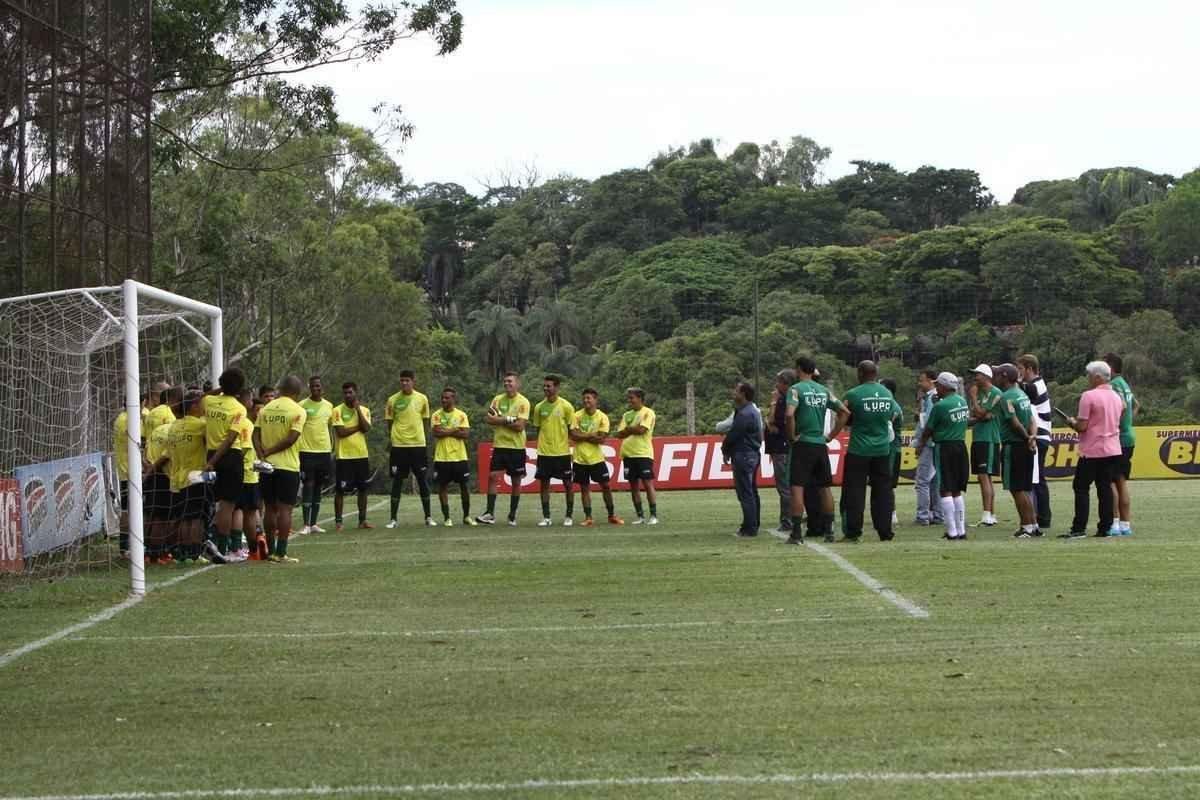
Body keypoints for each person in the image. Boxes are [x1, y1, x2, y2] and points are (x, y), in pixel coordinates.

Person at [784, 356, 849, 544]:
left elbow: (789, 414)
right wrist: (830, 436)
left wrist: (791, 436)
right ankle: (829, 532)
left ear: (798, 369)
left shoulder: (795, 389)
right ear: (813, 371)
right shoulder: (824, 391)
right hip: (820, 444)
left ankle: (796, 534)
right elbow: (844, 412)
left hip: (802, 443)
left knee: (797, 487)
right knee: (824, 487)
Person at [1063, 361, 1126, 538]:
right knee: (1104, 487)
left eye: (1089, 375)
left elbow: (1082, 427)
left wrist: (1072, 423)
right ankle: (1105, 527)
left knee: (1081, 487)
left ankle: (1079, 528)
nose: (1088, 378)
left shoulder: (1088, 396)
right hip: (1112, 448)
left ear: (1097, 377)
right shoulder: (1116, 396)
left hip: (1092, 449)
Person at [841, 361, 901, 542]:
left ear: (860, 373)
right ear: (876, 373)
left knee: (855, 492)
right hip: (882, 450)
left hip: (859, 449)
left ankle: (853, 532)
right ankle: (885, 532)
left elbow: (844, 417)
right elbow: (892, 415)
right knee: (883, 491)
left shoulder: (853, 394)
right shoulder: (887, 394)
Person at [254, 375, 306, 563]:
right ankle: (281, 552)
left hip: (267, 467)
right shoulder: (298, 410)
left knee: (269, 508)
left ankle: (270, 550)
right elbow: (291, 438)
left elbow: (255, 434)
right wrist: (270, 450)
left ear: (280, 390)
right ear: (296, 393)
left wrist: (262, 454)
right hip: (287, 466)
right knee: (285, 510)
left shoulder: (265, 409)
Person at [916, 373, 970, 540]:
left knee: (945, 488)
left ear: (945, 387)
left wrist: (920, 445)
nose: (936, 387)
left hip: (944, 447)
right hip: (960, 446)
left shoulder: (940, 406)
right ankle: (961, 530)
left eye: (938, 385)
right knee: (957, 490)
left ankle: (952, 531)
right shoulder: (962, 401)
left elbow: (928, 429)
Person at [201, 368, 248, 557]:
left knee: (216, 503)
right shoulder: (239, 408)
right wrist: (212, 462)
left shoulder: (210, 401)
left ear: (221, 384)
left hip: (211, 453)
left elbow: (203, 396)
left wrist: (219, 389)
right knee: (228, 505)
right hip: (229, 457)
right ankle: (223, 548)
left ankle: (212, 543)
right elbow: (229, 440)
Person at [993, 364, 1041, 538]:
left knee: (1016, 489)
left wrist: (1026, 438)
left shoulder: (1006, 397)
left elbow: (1014, 422)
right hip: (1027, 445)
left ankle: (1027, 526)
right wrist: (1032, 438)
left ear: (1004, 377)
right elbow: (1032, 420)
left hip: (1014, 446)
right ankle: (1032, 525)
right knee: (1024, 488)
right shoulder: (1023, 395)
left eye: (997, 374)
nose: (995, 377)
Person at [478, 372, 531, 526]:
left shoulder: (523, 402)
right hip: (500, 445)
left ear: (517, 384)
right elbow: (489, 419)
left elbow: (520, 426)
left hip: (516, 447)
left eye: (510, 381)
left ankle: (512, 515)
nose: (507, 384)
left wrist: (499, 420)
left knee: (516, 481)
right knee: (493, 477)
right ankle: (490, 513)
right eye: (505, 381)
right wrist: (508, 419)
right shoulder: (497, 399)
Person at [164, 390, 209, 565]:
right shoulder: (200, 425)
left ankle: (182, 552)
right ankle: (195, 553)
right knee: (196, 517)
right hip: (196, 475)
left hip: (177, 477)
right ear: (194, 406)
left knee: (183, 517)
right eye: (202, 404)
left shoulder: (174, 426)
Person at [384, 369, 434, 528]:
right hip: (399, 446)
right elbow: (390, 423)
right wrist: (393, 438)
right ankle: (393, 519)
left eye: (407, 380)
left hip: (418, 446)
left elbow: (426, 421)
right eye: (402, 380)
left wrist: (423, 440)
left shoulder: (422, 399)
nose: (405, 383)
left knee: (422, 480)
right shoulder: (392, 400)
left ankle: (428, 517)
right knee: (397, 481)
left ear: (413, 381)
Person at [530, 375, 578, 527]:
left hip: (562, 453)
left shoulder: (566, 406)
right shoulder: (538, 407)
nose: (546, 389)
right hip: (544, 453)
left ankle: (569, 516)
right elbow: (538, 428)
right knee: (544, 484)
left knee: (568, 484)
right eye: (544, 386)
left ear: (557, 387)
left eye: (549, 386)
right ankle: (546, 517)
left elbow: (572, 429)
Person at [570, 388, 623, 526]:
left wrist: (583, 435)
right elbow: (574, 436)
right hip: (580, 459)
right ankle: (588, 517)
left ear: (595, 400)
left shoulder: (602, 417)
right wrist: (590, 435)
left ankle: (612, 515)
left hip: (597, 459)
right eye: (584, 398)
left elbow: (601, 439)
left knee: (606, 486)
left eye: (588, 398)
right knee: (584, 488)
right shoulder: (576, 416)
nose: (586, 400)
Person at [143, 387, 182, 564]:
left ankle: (148, 551)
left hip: (151, 472)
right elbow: (169, 454)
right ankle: (158, 553)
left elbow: (146, 446)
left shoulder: (151, 416)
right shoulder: (173, 427)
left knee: (152, 513)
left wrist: (148, 467)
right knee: (163, 516)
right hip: (165, 474)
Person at [1104, 353, 1139, 536]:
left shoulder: (1113, 385)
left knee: (1109, 481)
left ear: (1110, 367)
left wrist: (1112, 425)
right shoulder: (1124, 384)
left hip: (1116, 439)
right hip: (1129, 436)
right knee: (1121, 481)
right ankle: (1126, 524)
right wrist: (1128, 422)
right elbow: (1136, 405)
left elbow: (1122, 407)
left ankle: (1114, 523)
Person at [332, 381, 374, 532]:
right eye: (345, 393)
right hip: (344, 456)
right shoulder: (337, 410)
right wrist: (358, 427)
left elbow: (367, 428)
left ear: (356, 392)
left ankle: (362, 521)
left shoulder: (364, 410)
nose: (347, 395)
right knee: (340, 490)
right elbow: (341, 433)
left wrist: (358, 410)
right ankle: (338, 522)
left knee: (363, 489)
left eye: (350, 392)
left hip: (361, 455)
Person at [723, 382, 763, 537]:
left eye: (736, 391)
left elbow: (734, 434)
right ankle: (753, 523)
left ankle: (749, 527)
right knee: (751, 491)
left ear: (743, 394)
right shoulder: (753, 411)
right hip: (752, 454)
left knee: (745, 492)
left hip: (743, 454)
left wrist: (725, 449)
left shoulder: (745, 414)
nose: (734, 393)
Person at [1018, 354, 1053, 531]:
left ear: (1030, 369)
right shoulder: (1038, 384)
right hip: (1041, 436)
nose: (1019, 373)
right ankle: (1041, 515)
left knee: (1037, 479)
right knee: (1037, 478)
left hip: (1038, 436)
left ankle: (1042, 517)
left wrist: (1015, 382)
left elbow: (1025, 392)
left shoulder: (1035, 386)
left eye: (1021, 369)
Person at [431, 387, 475, 527]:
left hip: (459, 457)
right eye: (442, 397)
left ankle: (466, 516)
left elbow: (465, 434)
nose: (444, 400)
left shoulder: (461, 415)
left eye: (447, 398)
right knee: (442, 487)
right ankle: (447, 518)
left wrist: (446, 431)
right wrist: (455, 430)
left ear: (453, 399)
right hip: (442, 457)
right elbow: (437, 433)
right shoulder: (436, 415)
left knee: (464, 486)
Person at [966, 364, 1002, 527]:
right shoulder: (979, 392)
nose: (975, 377)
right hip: (979, 437)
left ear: (986, 376)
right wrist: (978, 412)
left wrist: (973, 399)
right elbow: (977, 415)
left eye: (977, 374)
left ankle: (987, 515)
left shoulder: (995, 393)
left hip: (988, 439)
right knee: (985, 476)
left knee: (983, 475)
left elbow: (981, 414)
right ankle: (991, 514)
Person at [616, 387, 658, 525]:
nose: (629, 401)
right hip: (628, 454)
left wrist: (629, 429)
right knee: (633, 486)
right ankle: (640, 516)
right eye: (628, 398)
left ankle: (653, 515)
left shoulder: (648, 413)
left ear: (640, 398)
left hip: (643, 454)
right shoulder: (626, 415)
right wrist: (630, 429)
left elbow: (642, 430)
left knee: (647, 484)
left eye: (632, 398)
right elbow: (619, 434)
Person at [298, 376, 334, 535]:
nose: (315, 389)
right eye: (313, 386)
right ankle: (305, 524)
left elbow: (331, 428)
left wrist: (332, 448)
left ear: (322, 387)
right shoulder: (302, 406)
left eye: (318, 386)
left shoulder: (329, 406)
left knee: (319, 486)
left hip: (324, 451)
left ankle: (314, 523)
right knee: (308, 485)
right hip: (307, 451)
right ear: (309, 388)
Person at [764, 370, 794, 535]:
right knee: (786, 486)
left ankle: (787, 520)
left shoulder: (784, 400)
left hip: (781, 448)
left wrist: (774, 402)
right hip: (781, 447)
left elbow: (772, 421)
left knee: (784, 487)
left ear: (786, 384)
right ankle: (790, 518)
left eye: (779, 382)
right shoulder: (787, 399)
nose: (776, 385)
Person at [912, 370, 943, 526]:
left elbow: (930, 424)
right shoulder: (930, 398)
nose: (919, 383)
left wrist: (921, 444)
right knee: (934, 481)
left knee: (922, 481)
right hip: (936, 444)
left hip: (929, 444)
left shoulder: (932, 398)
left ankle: (923, 516)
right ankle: (937, 514)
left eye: (921, 380)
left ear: (931, 381)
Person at [234, 388, 262, 558]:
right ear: (246, 402)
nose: (252, 403)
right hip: (246, 473)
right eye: (251, 400)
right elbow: (244, 449)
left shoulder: (232, 419)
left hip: (233, 473)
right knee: (248, 511)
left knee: (234, 509)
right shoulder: (245, 423)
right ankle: (252, 550)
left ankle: (234, 546)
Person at [880, 377, 903, 528]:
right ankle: (889, 512)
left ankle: (891, 513)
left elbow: (888, 431)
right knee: (885, 482)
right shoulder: (890, 405)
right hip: (890, 449)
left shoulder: (892, 407)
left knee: (886, 482)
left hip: (891, 449)